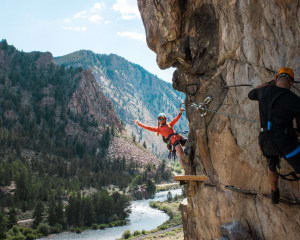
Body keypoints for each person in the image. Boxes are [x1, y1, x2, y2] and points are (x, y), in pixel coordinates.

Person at [248, 67, 300, 204]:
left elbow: (251, 94)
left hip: (265, 142)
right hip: (285, 143)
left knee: (272, 166)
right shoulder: (294, 99)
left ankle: (274, 192)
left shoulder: (263, 92)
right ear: (291, 82)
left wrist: (269, 84)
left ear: (276, 79)